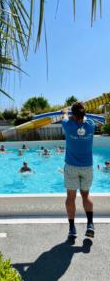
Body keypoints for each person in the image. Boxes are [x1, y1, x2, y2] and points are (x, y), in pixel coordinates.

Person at [62, 102, 95, 239]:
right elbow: (85, 118)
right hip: (87, 166)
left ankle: (72, 228)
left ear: (73, 115)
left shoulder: (68, 126)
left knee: (71, 197)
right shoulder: (91, 125)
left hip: (71, 166)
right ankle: (90, 224)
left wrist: (65, 111)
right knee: (86, 195)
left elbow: (64, 116)